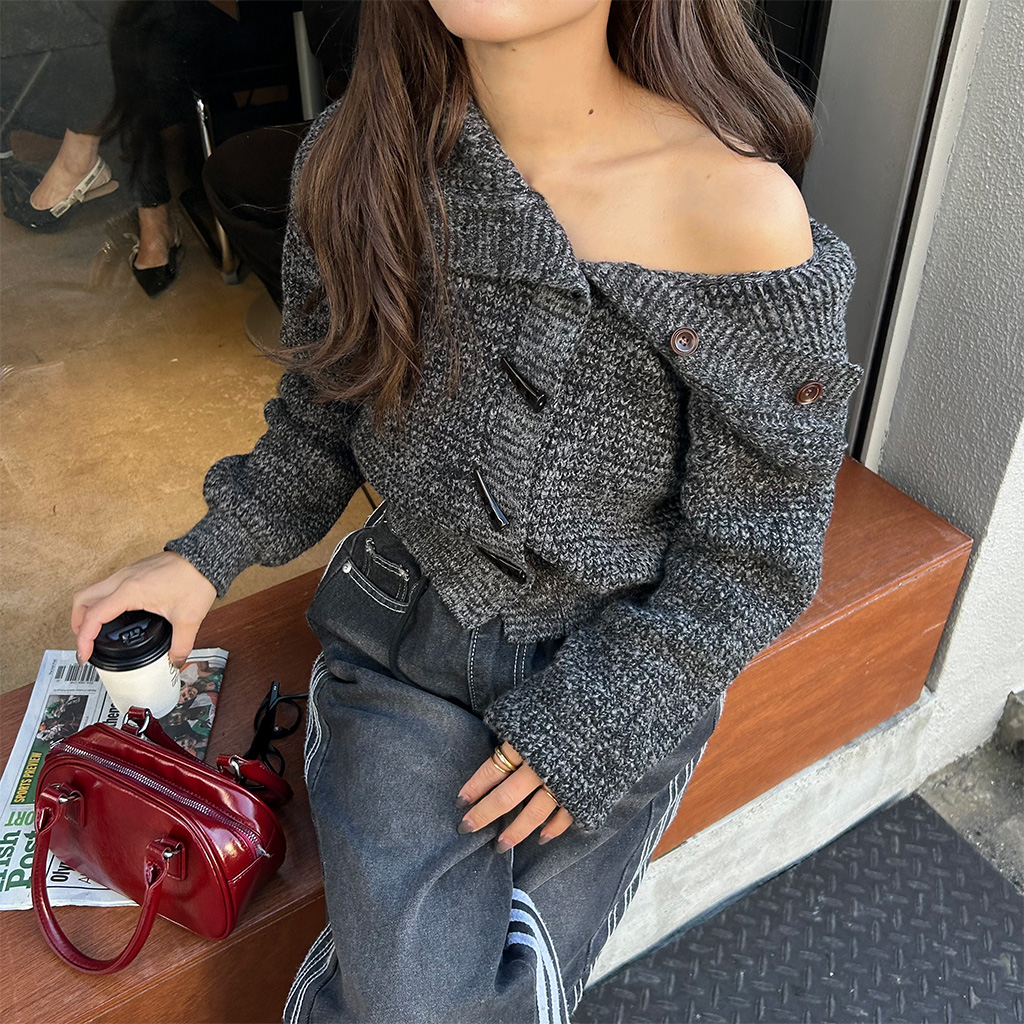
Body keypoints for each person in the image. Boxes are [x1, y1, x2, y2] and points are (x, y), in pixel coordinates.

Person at [70, 2, 865, 1021]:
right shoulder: (356, 161)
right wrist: (202, 555)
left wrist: (597, 721)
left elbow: (754, 553)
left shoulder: (736, 209)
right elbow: (323, 416)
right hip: (405, 647)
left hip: (624, 658)